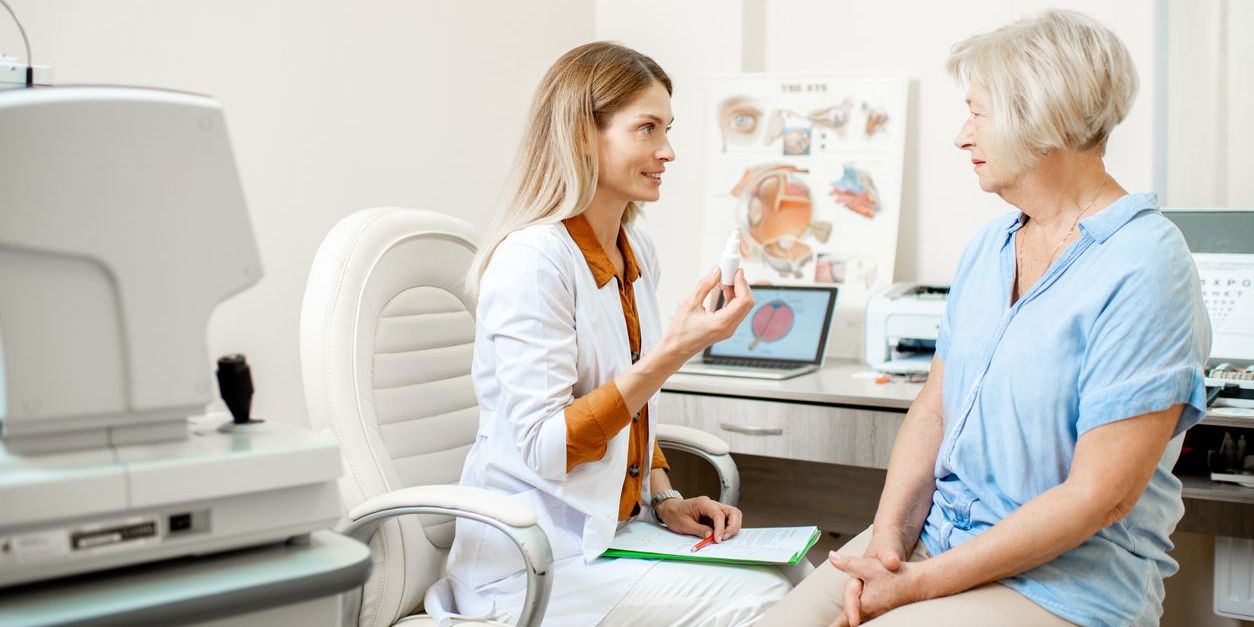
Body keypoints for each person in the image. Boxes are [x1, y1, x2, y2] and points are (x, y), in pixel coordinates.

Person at [760, 10, 1211, 627]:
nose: (962, 136)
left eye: (978, 112)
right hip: (934, 541)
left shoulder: (1146, 266)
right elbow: (934, 408)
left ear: (1041, 115)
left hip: (1063, 583)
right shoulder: (990, 246)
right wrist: (889, 548)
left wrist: (917, 587)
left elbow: (1100, 496)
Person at [425, 41, 797, 626]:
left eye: (667, 129)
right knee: (767, 599)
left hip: (616, 535)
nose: (667, 151)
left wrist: (666, 497)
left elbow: (630, 413)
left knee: (794, 575)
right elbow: (547, 446)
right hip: (534, 562)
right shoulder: (534, 260)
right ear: (582, 136)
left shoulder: (635, 250)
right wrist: (675, 350)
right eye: (646, 129)